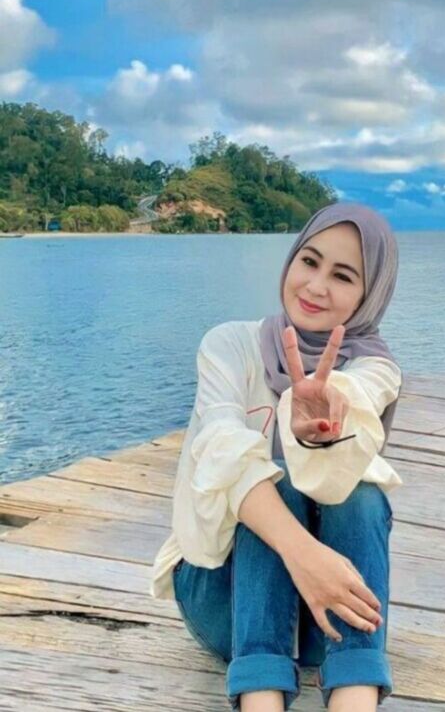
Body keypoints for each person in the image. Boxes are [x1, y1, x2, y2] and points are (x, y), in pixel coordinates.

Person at [150, 202, 404, 711]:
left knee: (361, 492)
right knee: (274, 479)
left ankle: (354, 699)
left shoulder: (374, 370)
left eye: (343, 276)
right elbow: (222, 452)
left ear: (369, 294)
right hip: (221, 596)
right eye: (309, 261)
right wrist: (303, 555)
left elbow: (356, 400)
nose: (315, 286)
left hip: (326, 617)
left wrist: (323, 431)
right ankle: (259, 699)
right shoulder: (229, 345)